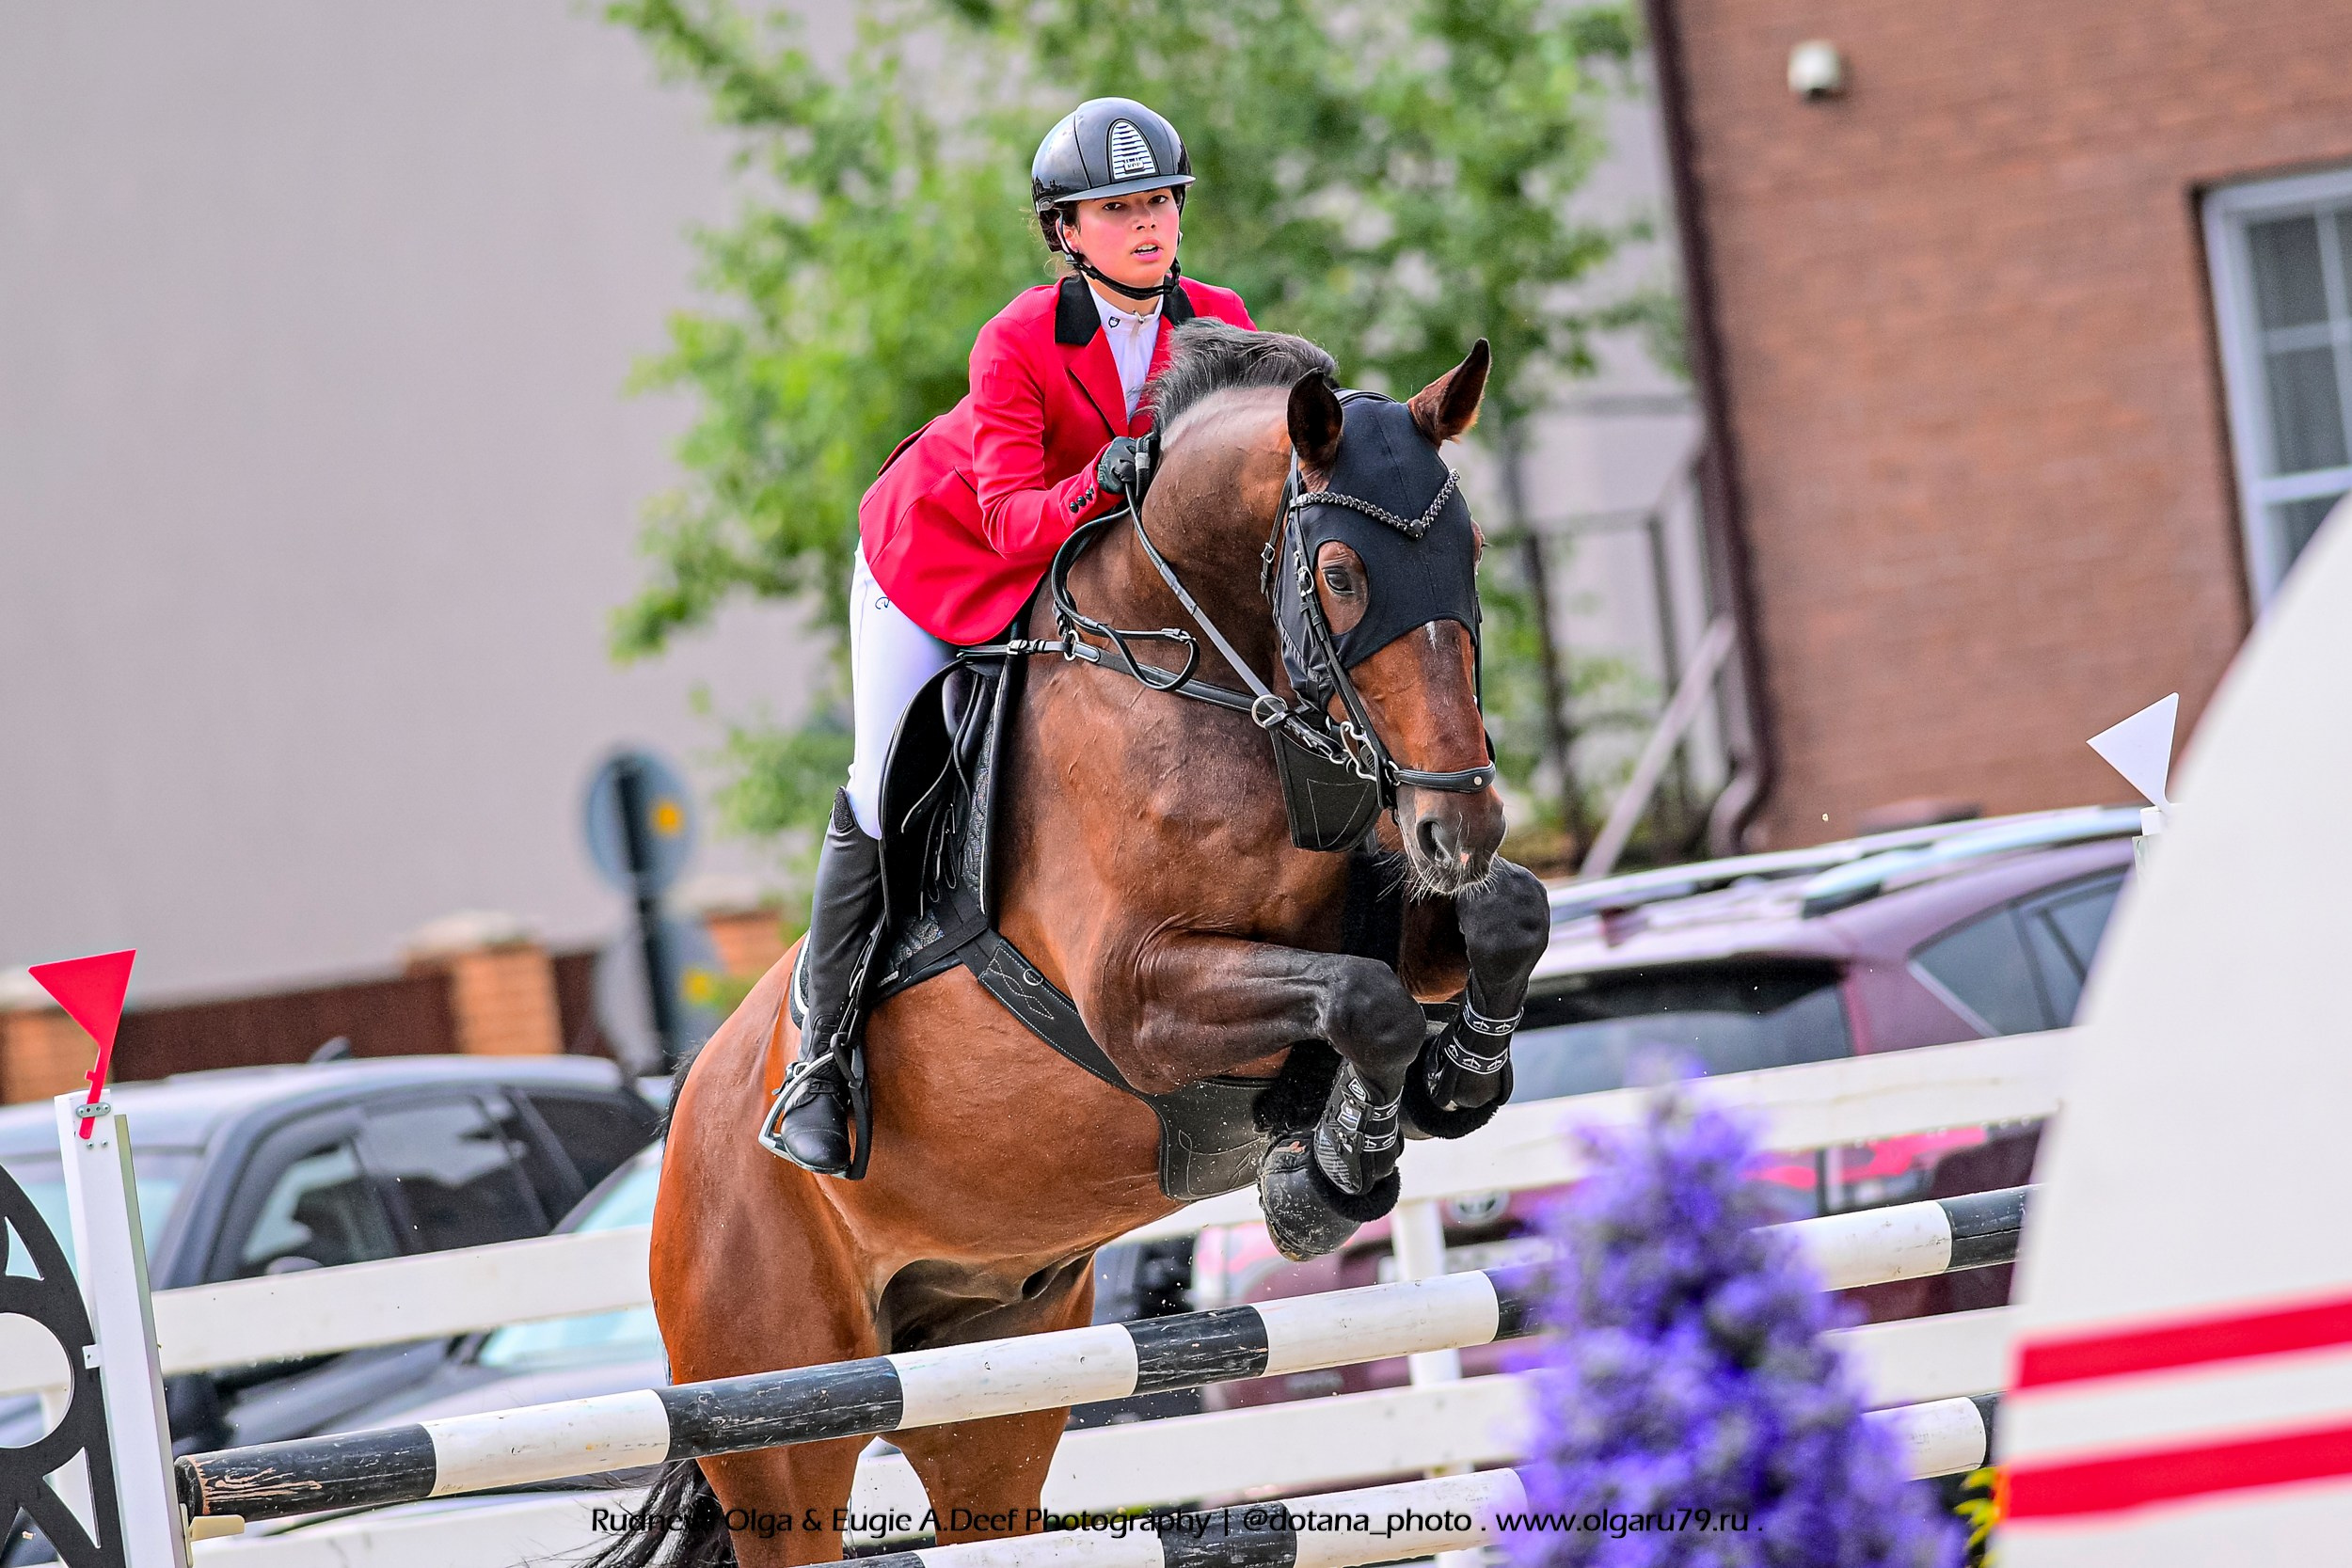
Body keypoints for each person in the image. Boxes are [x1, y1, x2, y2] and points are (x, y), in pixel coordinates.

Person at [769, 98, 1257, 1176]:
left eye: (1161, 202)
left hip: (1080, 582)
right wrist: (1103, 480)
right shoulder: (1018, 338)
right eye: (1117, 207)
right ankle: (822, 1053)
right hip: (939, 564)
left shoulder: (1218, 319)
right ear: (1065, 232)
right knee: (878, 775)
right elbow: (1005, 518)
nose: (1147, 225)